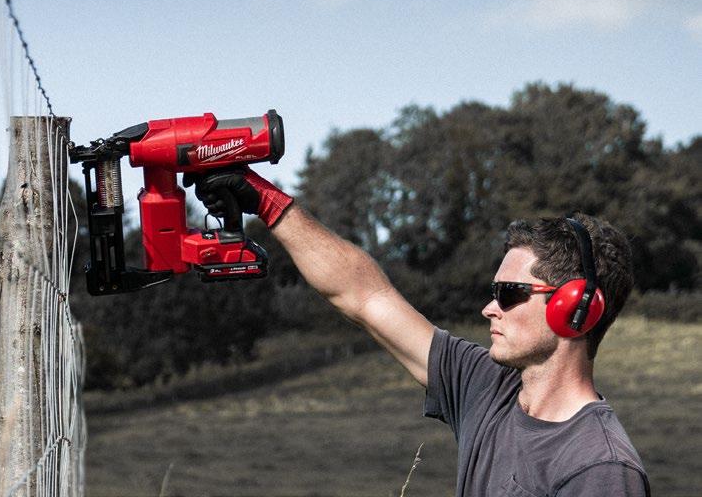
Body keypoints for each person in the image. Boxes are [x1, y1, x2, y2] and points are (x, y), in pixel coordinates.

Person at [184, 167, 651, 496]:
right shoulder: (486, 386)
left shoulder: (599, 467)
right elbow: (366, 297)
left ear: (577, 308)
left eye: (510, 293)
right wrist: (270, 204)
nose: (490, 308)